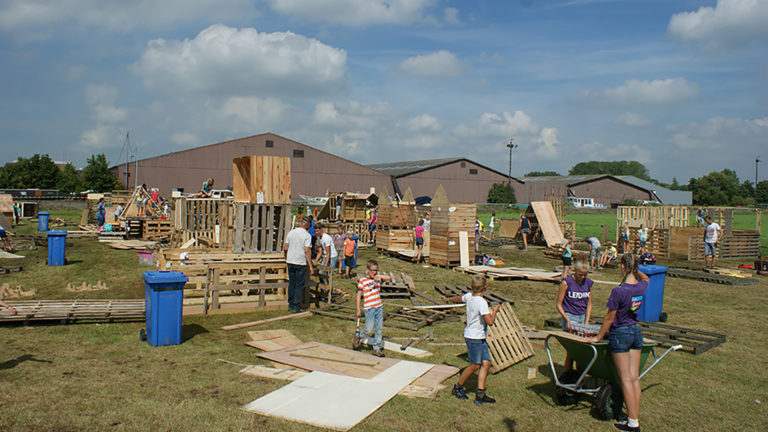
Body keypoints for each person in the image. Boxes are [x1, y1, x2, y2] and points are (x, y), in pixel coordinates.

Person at [585, 254, 650, 432]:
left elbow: (609, 318)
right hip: (636, 332)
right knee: (634, 378)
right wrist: (635, 269)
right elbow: (646, 277)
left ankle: (633, 424)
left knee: (626, 380)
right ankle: (634, 419)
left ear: (622, 266)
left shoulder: (619, 291)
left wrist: (598, 337)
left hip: (621, 334)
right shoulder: (642, 286)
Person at [448, 274, 500, 405]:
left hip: (479, 337)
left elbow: (460, 298)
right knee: (475, 365)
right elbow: (490, 322)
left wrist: (450, 299)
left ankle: (480, 394)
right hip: (474, 337)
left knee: (486, 363)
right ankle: (458, 387)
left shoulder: (469, 296)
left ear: (472, 287)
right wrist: (495, 311)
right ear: (485, 287)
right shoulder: (482, 303)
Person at [556, 256, 593, 373]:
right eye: (580, 274)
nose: (582, 277)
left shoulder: (588, 284)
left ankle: (578, 375)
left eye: (585, 275)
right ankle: (567, 374)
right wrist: (567, 319)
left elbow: (589, 304)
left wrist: (586, 321)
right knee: (572, 351)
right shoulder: (566, 283)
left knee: (581, 350)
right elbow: (558, 304)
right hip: (570, 317)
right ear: (574, 270)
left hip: (582, 317)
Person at [352, 259, 391, 357]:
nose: (374, 273)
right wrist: (358, 309)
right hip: (369, 308)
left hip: (378, 307)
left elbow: (389, 278)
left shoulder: (377, 279)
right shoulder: (363, 281)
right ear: (367, 270)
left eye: (376, 271)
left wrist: (380, 276)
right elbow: (358, 295)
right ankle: (358, 336)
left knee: (379, 329)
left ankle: (376, 348)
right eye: (372, 270)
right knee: (369, 329)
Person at [283, 215, 314, 313]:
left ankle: (290, 304)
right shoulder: (307, 236)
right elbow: (307, 251)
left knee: (292, 283)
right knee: (299, 284)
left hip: (290, 260)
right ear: (308, 225)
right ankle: (296, 306)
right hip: (300, 262)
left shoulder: (291, 233)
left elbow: (285, 248)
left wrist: (286, 257)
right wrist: (310, 265)